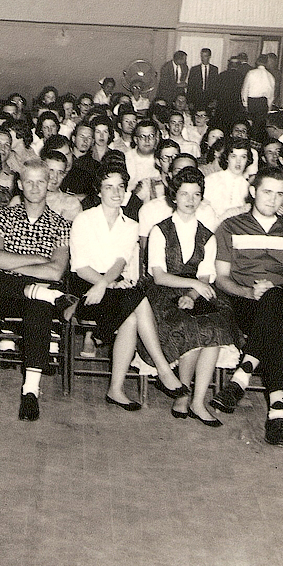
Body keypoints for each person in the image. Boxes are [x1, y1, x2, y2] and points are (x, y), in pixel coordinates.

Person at [67, 166, 190, 411]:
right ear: (98, 191)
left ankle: (116, 390)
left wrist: (106, 284)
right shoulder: (84, 219)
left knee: (132, 317)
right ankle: (163, 369)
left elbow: (120, 262)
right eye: (108, 187)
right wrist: (102, 284)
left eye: (120, 187)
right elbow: (80, 267)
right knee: (136, 300)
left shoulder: (130, 225)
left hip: (111, 285)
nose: (115, 192)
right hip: (84, 287)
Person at [210, 169, 283, 447]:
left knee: (275, 302)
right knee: (274, 324)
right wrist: (248, 291)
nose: (273, 199)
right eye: (267, 191)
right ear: (253, 191)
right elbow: (221, 278)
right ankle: (277, 410)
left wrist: (275, 291)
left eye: (280, 193)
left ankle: (243, 374)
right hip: (245, 303)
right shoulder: (230, 227)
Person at [0, 159, 73, 421]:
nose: (35, 186)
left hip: (37, 301)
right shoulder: (4, 216)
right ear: (19, 184)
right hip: (6, 297)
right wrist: (38, 259)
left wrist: (15, 263)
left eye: (41, 181)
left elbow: (56, 271)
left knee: (38, 305)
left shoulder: (61, 224)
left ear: (49, 184)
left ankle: (30, 391)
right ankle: (40, 292)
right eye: (29, 181)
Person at [145, 166, 242, 426]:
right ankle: (182, 394)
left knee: (215, 325)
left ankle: (198, 401)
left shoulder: (207, 236)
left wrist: (192, 292)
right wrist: (190, 287)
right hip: (163, 293)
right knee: (188, 325)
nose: (190, 200)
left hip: (196, 291)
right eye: (184, 194)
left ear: (201, 198)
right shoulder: (159, 231)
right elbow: (158, 276)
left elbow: (205, 276)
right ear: (173, 196)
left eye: (196, 195)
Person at [203, 137, 254, 226]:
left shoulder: (248, 187)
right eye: (233, 156)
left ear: (247, 160)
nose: (238, 161)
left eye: (243, 157)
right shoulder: (211, 180)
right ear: (227, 158)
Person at [240, 55, 276, 143]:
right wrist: (268, 107)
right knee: (259, 128)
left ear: (257, 62)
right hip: (263, 103)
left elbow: (244, 90)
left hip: (251, 102)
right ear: (266, 63)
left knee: (249, 126)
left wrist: (245, 104)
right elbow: (271, 95)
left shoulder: (251, 73)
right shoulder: (270, 76)